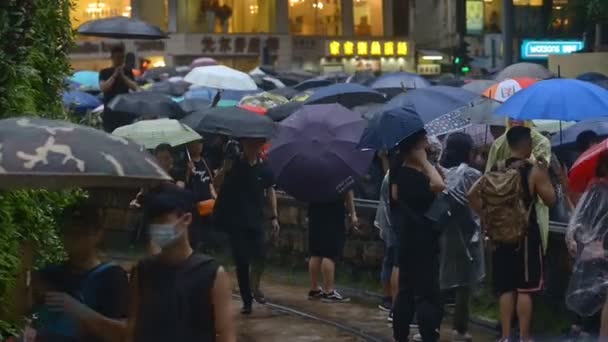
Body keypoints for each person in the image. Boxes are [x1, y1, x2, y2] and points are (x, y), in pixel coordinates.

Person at [469, 126, 556, 342]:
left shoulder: (495, 169)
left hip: (500, 236)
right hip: (526, 237)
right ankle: (525, 337)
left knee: (506, 288)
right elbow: (551, 200)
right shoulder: (533, 171)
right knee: (525, 289)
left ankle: (506, 337)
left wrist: (486, 215)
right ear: (527, 144)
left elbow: (471, 194)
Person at [126, 183, 236, 342]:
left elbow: (225, 335)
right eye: (153, 221)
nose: (156, 227)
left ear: (186, 219)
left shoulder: (211, 274)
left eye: (162, 220)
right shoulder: (143, 271)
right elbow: (132, 329)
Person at [31, 203, 129, 342]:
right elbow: (15, 312)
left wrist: (78, 310)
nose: (73, 238)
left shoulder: (111, 276)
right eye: (68, 231)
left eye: (81, 232)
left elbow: (121, 335)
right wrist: (25, 266)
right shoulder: (51, 273)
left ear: (97, 234)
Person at [213, 138, 280, 314]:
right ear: (243, 145)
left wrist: (274, 216)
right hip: (236, 220)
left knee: (260, 255)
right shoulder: (234, 164)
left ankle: (255, 285)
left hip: (256, 219)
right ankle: (247, 300)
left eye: (256, 144)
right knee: (241, 261)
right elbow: (216, 184)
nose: (252, 148)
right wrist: (224, 170)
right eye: (249, 144)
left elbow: (270, 190)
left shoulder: (264, 167)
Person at [391, 129, 445, 342]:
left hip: (406, 238)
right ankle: (429, 334)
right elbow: (440, 185)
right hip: (423, 239)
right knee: (427, 294)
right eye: (423, 143)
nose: (427, 146)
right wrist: (426, 163)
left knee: (406, 290)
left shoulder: (399, 172)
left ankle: (400, 335)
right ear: (413, 148)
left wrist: (428, 165)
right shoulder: (413, 174)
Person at [438, 133, 485, 342]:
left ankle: (431, 325)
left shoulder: (440, 172)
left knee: (439, 278)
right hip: (467, 233)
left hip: (443, 231)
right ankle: (460, 329)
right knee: (464, 284)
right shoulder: (473, 174)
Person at [565, 150, 608, 340]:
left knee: (592, 292)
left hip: (589, 252)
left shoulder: (592, 189)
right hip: (604, 251)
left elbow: (577, 222)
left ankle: (583, 328)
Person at [307, 190, 358, 303]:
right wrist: (352, 213)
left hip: (315, 211)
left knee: (316, 253)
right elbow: (348, 192)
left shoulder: (313, 173)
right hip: (333, 212)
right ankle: (328, 290)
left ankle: (314, 288)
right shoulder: (338, 173)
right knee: (329, 254)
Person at [184, 139, 217, 251]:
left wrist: (215, 197)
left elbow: (210, 182)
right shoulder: (186, 163)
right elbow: (184, 183)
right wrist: (188, 172)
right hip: (193, 203)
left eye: (201, 143)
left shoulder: (206, 162)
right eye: (196, 143)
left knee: (207, 231)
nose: (199, 146)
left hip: (207, 202)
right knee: (194, 233)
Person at [375, 169, 399, 315]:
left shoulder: (390, 173)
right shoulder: (400, 173)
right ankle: (395, 302)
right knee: (396, 263)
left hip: (390, 222)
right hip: (397, 224)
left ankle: (387, 298)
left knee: (390, 261)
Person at [99, 45, 139, 133]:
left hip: (125, 111)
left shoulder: (128, 71)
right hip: (110, 112)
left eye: (121, 58)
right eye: (117, 57)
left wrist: (123, 76)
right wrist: (114, 75)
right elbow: (103, 88)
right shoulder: (104, 72)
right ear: (112, 58)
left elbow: (134, 87)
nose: (119, 60)